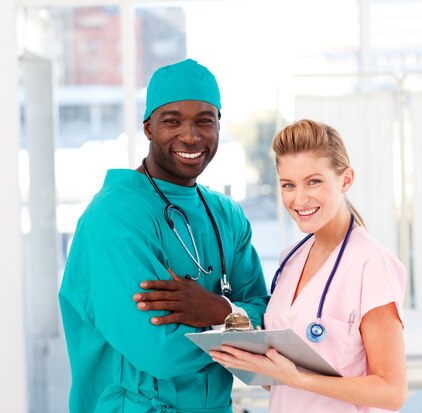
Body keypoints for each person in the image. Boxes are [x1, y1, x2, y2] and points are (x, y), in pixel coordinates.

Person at [58, 58, 269, 413]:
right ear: (148, 128)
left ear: (219, 125)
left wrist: (216, 308)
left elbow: (268, 318)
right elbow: (161, 353)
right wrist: (239, 325)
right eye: (172, 121)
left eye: (205, 121)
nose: (191, 136)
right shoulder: (113, 218)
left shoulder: (226, 215)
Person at [209, 119, 407, 412]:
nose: (299, 199)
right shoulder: (291, 259)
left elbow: (392, 391)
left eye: (313, 181)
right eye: (288, 185)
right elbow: (283, 376)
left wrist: (299, 378)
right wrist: (251, 361)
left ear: (346, 179)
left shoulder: (371, 263)